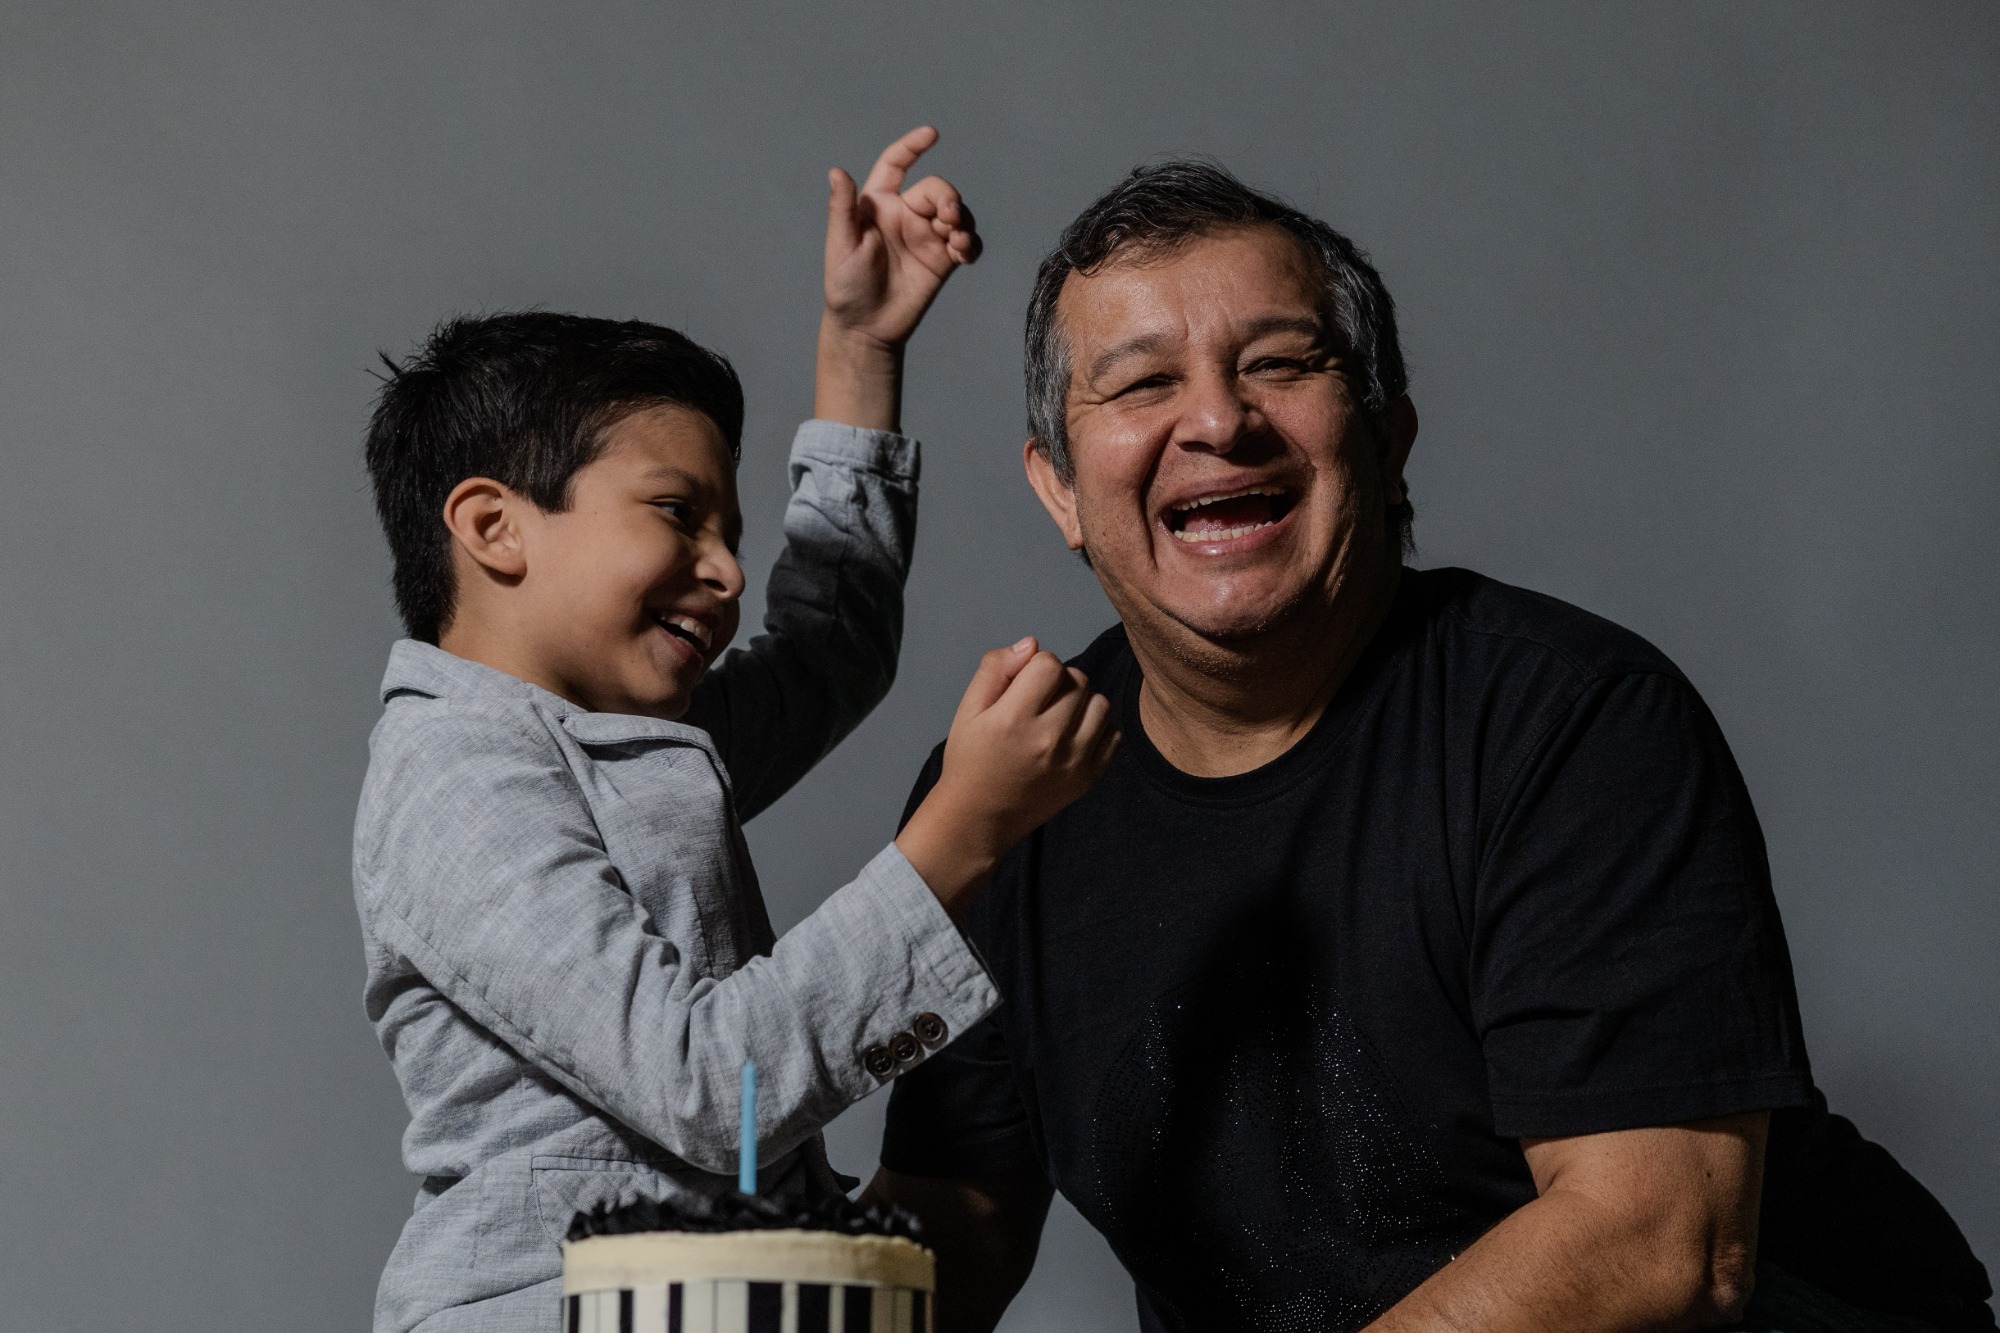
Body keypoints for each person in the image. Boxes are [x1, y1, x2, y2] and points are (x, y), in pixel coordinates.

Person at [867, 162, 1995, 1333]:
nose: (1215, 420)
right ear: (1057, 488)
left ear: (1386, 436)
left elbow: (1656, 1238)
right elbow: (951, 1236)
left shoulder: (1571, 724)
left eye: (1279, 363)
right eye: (1144, 381)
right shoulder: (1009, 791)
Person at [352, 127, 1118, 1333]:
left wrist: (860, 350)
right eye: (676, 513)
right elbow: (708, 1087)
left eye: (731, 534)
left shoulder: (618, 735)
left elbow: (827, 651)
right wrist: (961, 831)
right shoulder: (457, 786)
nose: (725, 570)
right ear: (494, 527)